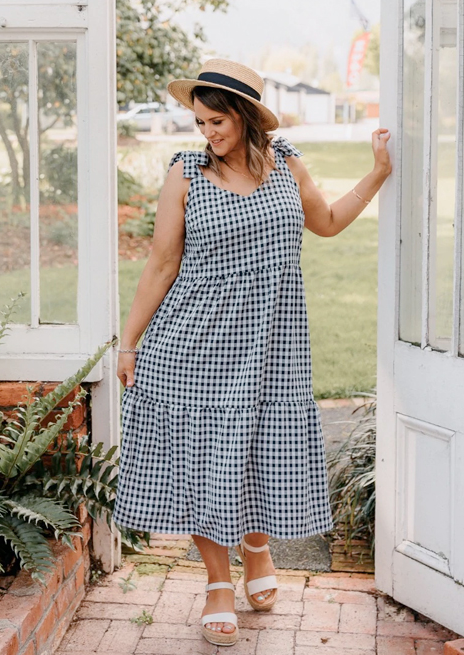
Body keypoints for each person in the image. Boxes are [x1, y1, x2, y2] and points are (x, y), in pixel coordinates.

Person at [112, 59, 392, 647]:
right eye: (199, 121)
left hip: (272, 347)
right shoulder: (186, 173)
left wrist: (377, 174)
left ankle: (257, 545)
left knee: (264, 448)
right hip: (193, 345)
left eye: (216, 120)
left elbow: (329, 222)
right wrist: (130, 340)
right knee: (204, 460)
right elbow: (162, 264)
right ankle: (218, 583)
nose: (206, 132)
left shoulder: (285, 161)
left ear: (244, 116)